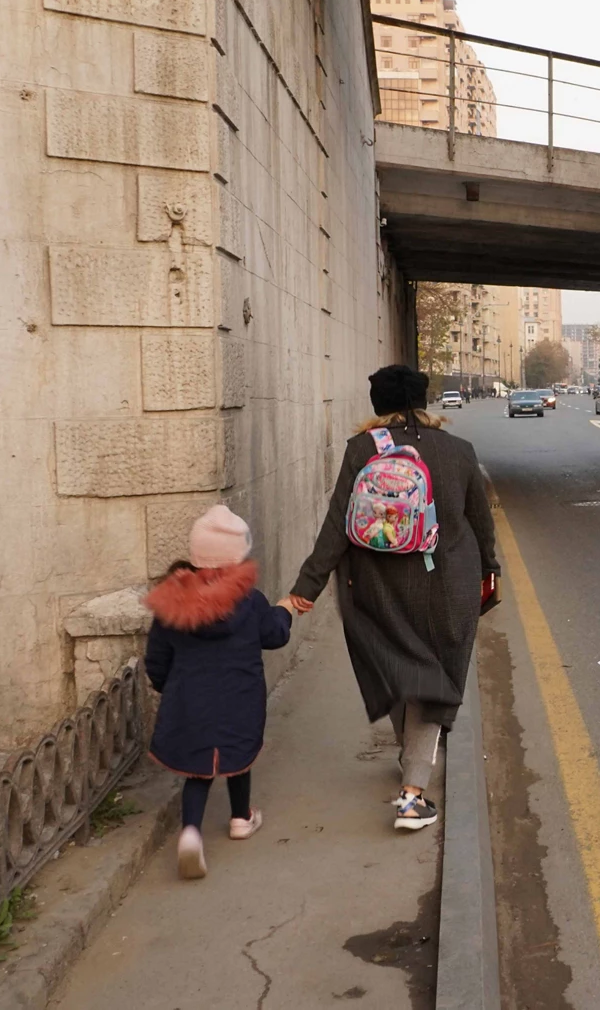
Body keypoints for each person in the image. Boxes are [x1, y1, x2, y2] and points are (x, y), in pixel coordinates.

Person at [284, 365, 498, 831]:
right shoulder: (459, 450)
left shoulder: (362, 448)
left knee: (402, 667)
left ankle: (411, 760)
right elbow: (481, 524)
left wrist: (305, 590)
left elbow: (338, 525)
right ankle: (412, 795)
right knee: (434, 679)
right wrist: (490, 573)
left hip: (377, 584)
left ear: (378, 404)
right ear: (423, 401)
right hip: (448, 583)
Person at [144, 505, 293, 880]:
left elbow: (157, 658)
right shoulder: (250, 601)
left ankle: (191, 833)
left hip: (190, 701)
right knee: (239, 757)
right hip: (240, 697)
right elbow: (275, 635)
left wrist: (167, 687)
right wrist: (285, 610)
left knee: (199, 772)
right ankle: (241, 818)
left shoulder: (172, 602)